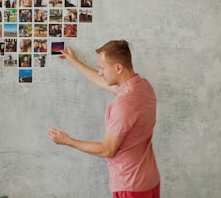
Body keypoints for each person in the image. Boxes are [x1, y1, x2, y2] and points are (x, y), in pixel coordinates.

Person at [48, 40, 160, 198]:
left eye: (102, 68)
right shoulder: (143, 87)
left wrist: (68, 141)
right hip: (150, 181)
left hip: (130, 187)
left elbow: (107, 149)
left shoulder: (124, 106)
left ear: (118, 68)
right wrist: (73, 61)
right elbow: (102, 81)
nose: (100, 72)